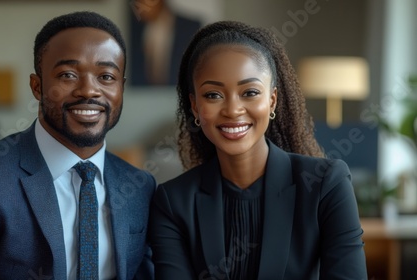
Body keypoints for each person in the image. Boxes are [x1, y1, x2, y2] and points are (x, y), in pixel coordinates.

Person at [0, 11, 156, 280]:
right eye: (68, 74)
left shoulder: (141, 186)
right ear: (37, 86)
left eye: (106, 77)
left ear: (121, 88)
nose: (89, 90)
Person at [148, 21, 367, 279]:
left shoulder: (325, 184)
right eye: (213, 95)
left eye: (250, 92)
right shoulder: (172, 203)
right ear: (195, 106)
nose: (232, 109)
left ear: (271, 100)